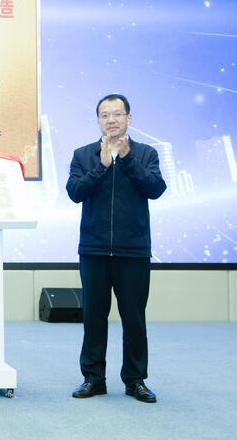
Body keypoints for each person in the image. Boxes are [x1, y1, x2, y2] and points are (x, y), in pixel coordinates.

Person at [65, 94, 166, 403]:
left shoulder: (145, 153)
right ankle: (93, 379)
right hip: (93, 250)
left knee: (134, 318)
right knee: (94, 317)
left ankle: (135, 380)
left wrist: (127, 159)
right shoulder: (83, 155)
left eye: (117, 114)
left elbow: (156, 188)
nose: (111, 120)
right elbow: (74, 192)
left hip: (133, 250)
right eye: (105, 115)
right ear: (98, 120)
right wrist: (102, 166)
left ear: (128, 119)